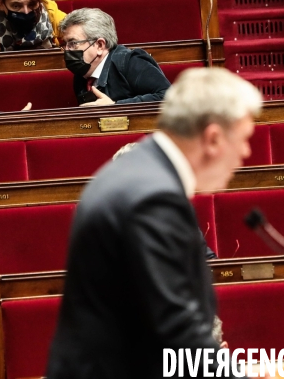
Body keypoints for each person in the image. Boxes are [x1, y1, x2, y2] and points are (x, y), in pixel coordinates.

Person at [47, 67, 262, 379]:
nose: (246, 152)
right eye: (243, 139)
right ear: (213, 137)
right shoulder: (153, 197)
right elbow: (175, 324)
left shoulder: (138, 170)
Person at [59, 8, 171, 107]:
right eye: (65, 44)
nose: (67, 50)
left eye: (73, 43)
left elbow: (168, 96)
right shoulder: (81, 76)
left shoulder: (130, 62)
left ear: (99, 45)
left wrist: (115, 107)